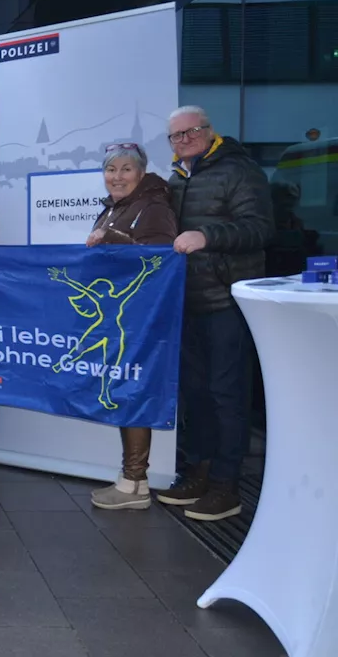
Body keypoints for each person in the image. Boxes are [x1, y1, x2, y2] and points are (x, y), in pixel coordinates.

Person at [155, 106, 273, 522]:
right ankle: (198, 473)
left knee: (228, 395)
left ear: (209, 130)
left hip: (225, 301)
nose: (183, 140)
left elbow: (260, 228)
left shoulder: (239, 171)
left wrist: (208, 236)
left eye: (191, 131)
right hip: (187, 302)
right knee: (196, 394)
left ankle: (227, 485)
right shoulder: (175, 178)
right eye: (175, 135)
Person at [81, 143, 178, 510]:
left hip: (141, 318)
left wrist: (113, 238)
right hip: (125, 317)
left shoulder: (153, 206)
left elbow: (159, 258)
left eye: (125, 169)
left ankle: (135, 482)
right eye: (111, 169)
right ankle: (131, 480)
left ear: (140, 172)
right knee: (123, 391)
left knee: (133, 392)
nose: (117, 177)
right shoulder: (115, 208)